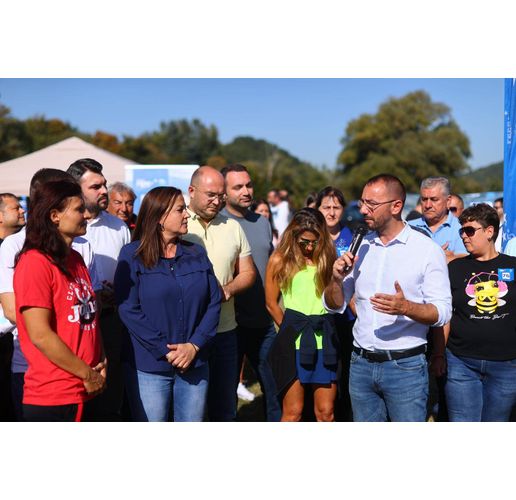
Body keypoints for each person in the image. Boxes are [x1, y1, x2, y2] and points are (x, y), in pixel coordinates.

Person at [324, 174, 452, 422]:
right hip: (360, 364)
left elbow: (443, 312)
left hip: (405, 368)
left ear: (396, 206)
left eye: (371, 204)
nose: (363, 209)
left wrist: (406, 307)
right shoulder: (360, 246)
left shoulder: (426, 250)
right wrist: (335, 279)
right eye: (362, 202)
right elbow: (334, 304)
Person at [0, 169, 102, 421]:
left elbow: (88, 319)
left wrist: (101, 361)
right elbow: (40, 335)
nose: (87, 215)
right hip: (53, 395)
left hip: (87, 388)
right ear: (55, 216)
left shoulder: (76, 259)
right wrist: (87, 374)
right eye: (79, 209)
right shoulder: (34, 262)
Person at [114, 187, 221, 421]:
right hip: (149, 367)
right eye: (180, 209)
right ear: (160, 217)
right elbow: (128, 309)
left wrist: (194, 345)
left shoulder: (196, 253)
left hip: (195, 362)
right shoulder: (132, 255)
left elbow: (214, 301)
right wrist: (166, 351)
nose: (186, 215)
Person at [182, 166, 256, 422]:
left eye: (221, 196)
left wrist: (228, 289)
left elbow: (248, 273)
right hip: (186, 334)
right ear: (191, 191)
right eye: (210, 195)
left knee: (225, 408)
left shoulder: (232, 226)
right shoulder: (177, 223)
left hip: (224, 331)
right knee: (192, 411)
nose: (217, 201)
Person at [431, 203, 516, 421]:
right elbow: (445, 315)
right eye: (462, 231)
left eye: (470, 231)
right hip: (461, 362)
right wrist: (439, 355)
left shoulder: (512, 266)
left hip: (506, 364)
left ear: (490, 231)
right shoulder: (455, 268)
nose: (464, 237)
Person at [67, 158, 131, 421]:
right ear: (75, 187)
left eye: (104, 185)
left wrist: (117, 293)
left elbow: (129, 276)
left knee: (109, 394)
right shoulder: (64, 227)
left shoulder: (119, 227)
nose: (105, 191)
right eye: (96, 186)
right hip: (74, 328)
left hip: (111, 322)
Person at [265, 208, 339, 422]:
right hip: (293, 343)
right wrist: (290, 329)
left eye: (314, 242)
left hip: (324, 340)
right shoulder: (279, 259)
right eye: (303, 241)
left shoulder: (329, 257)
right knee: (293, 413)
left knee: (326, 413)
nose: (308, 247)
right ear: (293, 235)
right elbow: (271, 303)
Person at [221, 163, 281, 421]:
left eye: (248, 184)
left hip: (263, 321)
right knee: (224, 394)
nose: (246, 191)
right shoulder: (218, 223)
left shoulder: (263, 222)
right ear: (223, 192)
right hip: (229, 323)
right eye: (238, 187)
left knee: (274, 386)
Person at [315, 186, 355, 421]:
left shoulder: (352, 237)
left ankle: (346, 416)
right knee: (326, 375)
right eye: (326, 207)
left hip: (348, 318)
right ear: (317, 208)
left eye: (336, 207)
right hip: (318, 315)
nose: (331, 212)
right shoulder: (311, 238)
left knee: (347, 372)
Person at [0, 193, 25, 420]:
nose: (22, 210)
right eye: (15, 208)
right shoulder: (9, 248)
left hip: (14, 336)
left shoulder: (23, 246)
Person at [408, 176, 467, 263]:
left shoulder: (462, 228)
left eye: (434, 199)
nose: (428, 205)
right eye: (424, 199)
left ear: (448, 201)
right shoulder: (408, 227)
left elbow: (466, 261)